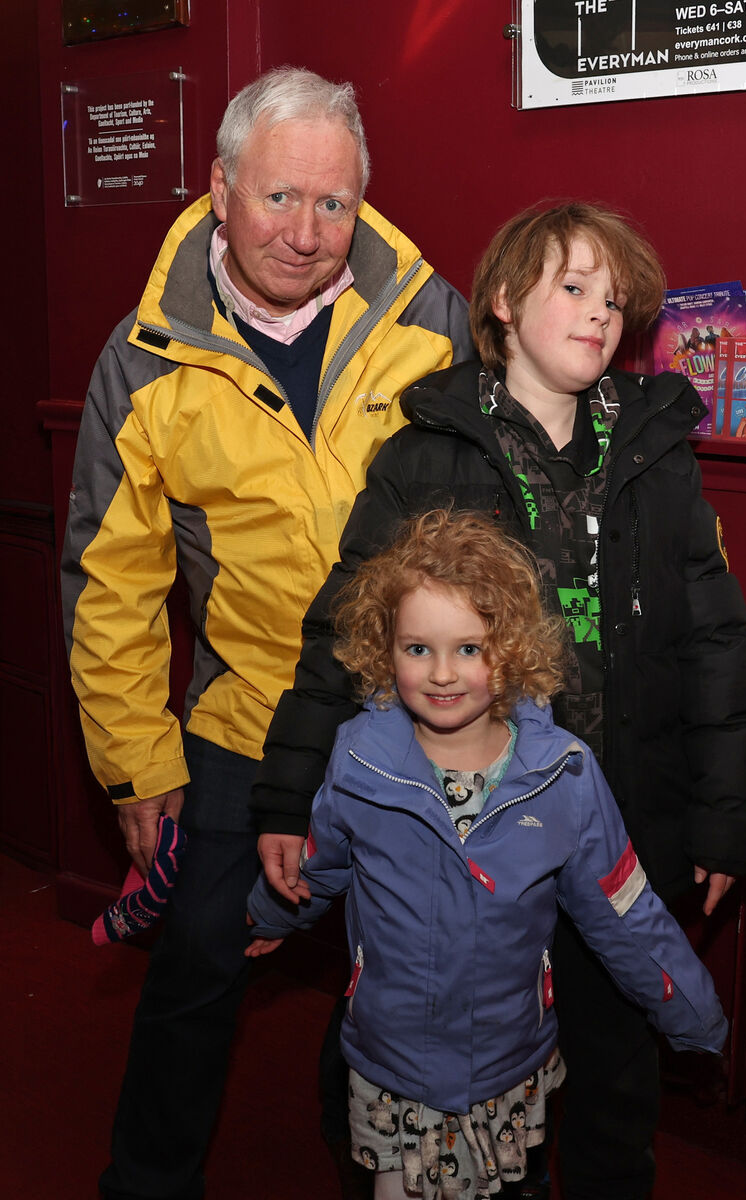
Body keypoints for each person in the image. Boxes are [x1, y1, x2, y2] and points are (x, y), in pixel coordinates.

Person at [251, 201, 746, 1200]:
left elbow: (716, 643)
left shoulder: (656, 448)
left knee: (616, 1091)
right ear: (501, 300)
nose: (597, 315)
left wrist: (727, 817)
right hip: (464, 829)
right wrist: (283, 798)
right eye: (570, 288)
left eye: (611, 299)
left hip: (623, 811)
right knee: (440, 1072)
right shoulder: (427, 451)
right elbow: (345, 632)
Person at [61, 65, 471, 1200]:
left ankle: (377, 1167)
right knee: (195, 968)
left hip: (415, 724)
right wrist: (139, 764)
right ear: (219, 187)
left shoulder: (431, 320)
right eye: (279, 199)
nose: (305, 232)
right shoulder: (141, 360)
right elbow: (113, 583)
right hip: (243, 727)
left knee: (406, 975)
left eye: (331, 205)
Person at [246, 509, 729, 1200]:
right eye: (417, 649)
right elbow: (318, 863)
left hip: (508, 1059)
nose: (442, 673)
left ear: (510, 650)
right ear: (384, 650)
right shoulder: (359, 759)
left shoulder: (561, 773)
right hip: (392, 1061)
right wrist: (269, 914)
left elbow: (623, 910)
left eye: (468, 648)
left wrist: (693, 1011)